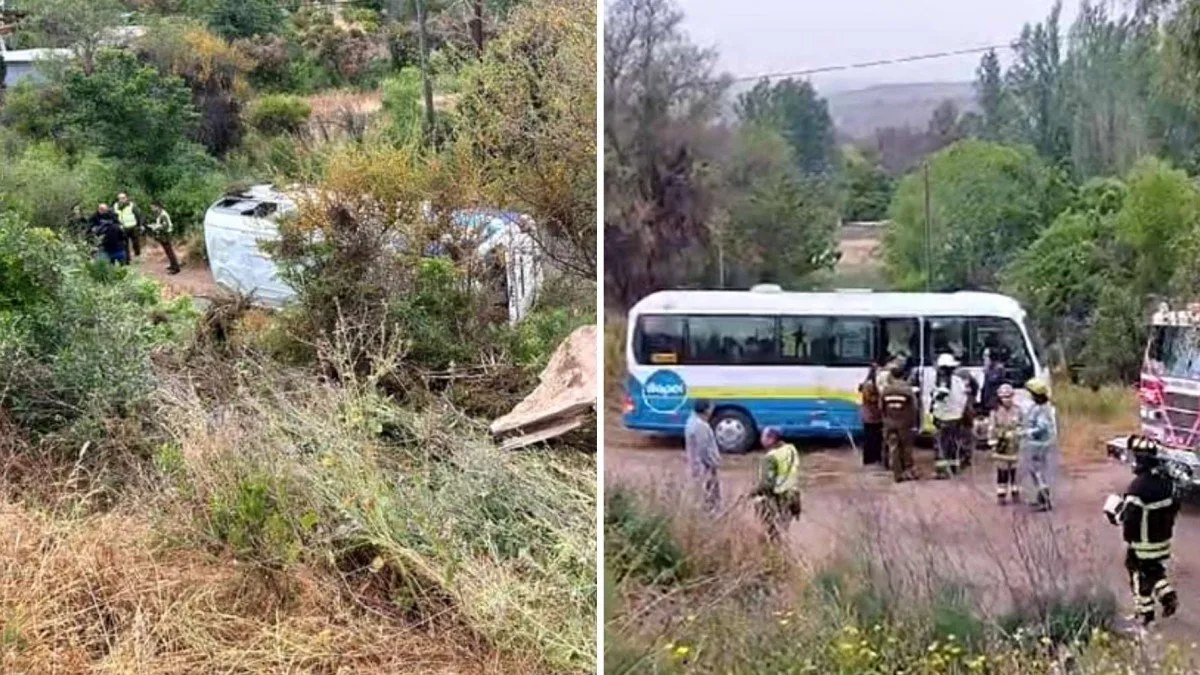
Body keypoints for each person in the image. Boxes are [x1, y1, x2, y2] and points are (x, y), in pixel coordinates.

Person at [1104, 436, 1180, 627]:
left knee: (1138, 574)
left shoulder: (1137, 488)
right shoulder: (1168, 484)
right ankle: (1167, 595)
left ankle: (1145, 615)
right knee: (1153, 570)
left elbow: (1126, 518)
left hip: (1142, 544)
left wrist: (1112, 511)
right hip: (1162, 542)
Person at [751, 426, 803, 542]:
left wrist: (753, 492)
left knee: (772, 533)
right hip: (793, 497)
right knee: (783, 529)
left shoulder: (771, 457)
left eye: (763, 437)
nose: (761, 440)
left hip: (777, 499)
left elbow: (767, 485)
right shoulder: (791, 450)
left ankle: (773, 554)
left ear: (771, 439)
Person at [1019, 378, 1058, 512]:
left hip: (1039, 444)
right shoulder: (1044, 407)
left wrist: (1026, 432)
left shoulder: (1040, 409)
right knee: (1036, 471)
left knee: (1038, 471)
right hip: (1041, 443)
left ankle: (1044, 499)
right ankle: (1041, 497)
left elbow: (1042, 426)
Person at [931, 353, 969, 478]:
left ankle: (942, 472)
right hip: (956, 417)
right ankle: (953, 468)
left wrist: (934, 397)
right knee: (953, 444)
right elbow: (964, 398)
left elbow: (941, 396)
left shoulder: (943, 381)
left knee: (942, 445)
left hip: (944, 418)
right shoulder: (958, 380)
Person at [881, 364, 919, 482]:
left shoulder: (886, 390)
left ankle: (897, 474)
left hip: (890, 423)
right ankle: (908, 471)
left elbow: (881, 407)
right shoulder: (907, 390)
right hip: (905, 424)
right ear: (904, 375)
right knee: (906, 448)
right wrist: (914, 423)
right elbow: (914, 408)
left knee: (893, 447)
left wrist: (886, 420)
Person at [988, 383, 1023, 505]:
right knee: (1002, 471)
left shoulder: (1018, 410)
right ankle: (1001, 494)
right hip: (1001, 445)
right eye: (1003, 397)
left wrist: (1018, 435)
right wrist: (993, 443)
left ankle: (1015, 492)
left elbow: (1022, 425)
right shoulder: (995, 411)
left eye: (1008, 396)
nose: (1006, 399)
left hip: (1015, 444)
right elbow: (992, 428)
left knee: (1015, 470)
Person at [684, 399, 721, 512]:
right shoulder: (701, 427)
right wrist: (714, 463)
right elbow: (704, 449)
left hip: (695, 465)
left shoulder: (691, 422)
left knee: (699, 493)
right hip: (704, 468)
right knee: (709, 497)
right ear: (706, 410)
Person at [859, 364, 884, 466]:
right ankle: (869, 459)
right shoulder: (869, 385)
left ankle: (875, 458)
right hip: (870, 416)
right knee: (870, 438)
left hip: (874, 415)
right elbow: (871, 399)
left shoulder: (871, 384)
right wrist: (880, 397)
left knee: (877, 438)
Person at [147, 202, 182, 274]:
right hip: (163, 235)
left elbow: (166, 226)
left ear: (157, 207)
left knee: (169, 251)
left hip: (166, 235)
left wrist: (156, 227)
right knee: (168, 251)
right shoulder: (159, 214)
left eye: (153, 207)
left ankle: (176, 268)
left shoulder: (163, 215)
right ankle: (172, 265)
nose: (152, 209)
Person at [114, 192, 143, 260]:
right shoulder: (115, 206)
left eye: (123, 198)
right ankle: (127, 259)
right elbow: (114, 216)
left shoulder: (132, 205)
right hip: (123, 228)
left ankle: (137, 255)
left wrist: (140, 225)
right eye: (120, 198)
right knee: (124, 244)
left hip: (133, 227)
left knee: (135, 242)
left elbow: (138, 215)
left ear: (126, 198)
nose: (122, 200)